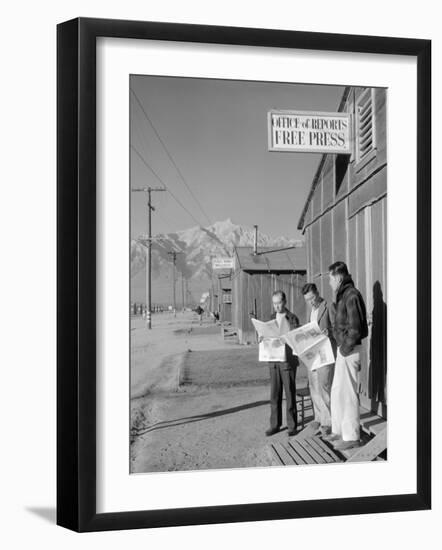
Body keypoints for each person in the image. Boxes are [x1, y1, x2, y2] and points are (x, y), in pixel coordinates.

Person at [323, 261, 368, 451]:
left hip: (349, 350)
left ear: (338, 277)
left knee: (348, 392)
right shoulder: (343, 295)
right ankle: (338, 430)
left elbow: (356, 329)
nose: (330, 283)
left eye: (331, 279)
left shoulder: (351, 295)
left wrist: (344, 348)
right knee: (337, 390)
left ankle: (351, 436)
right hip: (344, 350)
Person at [301, 283, 336, 436]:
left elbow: (338, 327)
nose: (311, 302)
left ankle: (329, 422)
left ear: (318, 293)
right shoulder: (311, 311)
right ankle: (319, 418)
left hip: (325, 354)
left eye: (313, 298)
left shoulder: (328, 306)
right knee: (314, 388)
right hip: (312, 354)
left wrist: (330, 331)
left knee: (325, 387)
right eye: (308, 300)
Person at [265, 290, 300, 437]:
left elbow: (297, 337)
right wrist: (262, 338)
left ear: (284, 302)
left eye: (278, 303)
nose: (276, 306)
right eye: (274, 303)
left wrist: (288, 338)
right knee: (275, 394)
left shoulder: (292, 318)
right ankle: (275, 425)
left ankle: (292, 426)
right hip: (273, 361)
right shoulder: (271, 318)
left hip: (287, 361)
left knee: (290, 393)